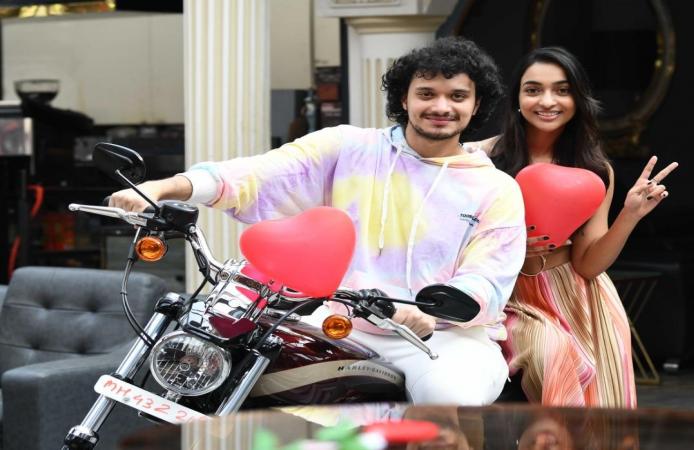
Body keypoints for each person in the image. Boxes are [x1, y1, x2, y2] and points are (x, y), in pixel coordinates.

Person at [109, 37, 526, 405]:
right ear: (404, 98)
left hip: (441, 337)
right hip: (337, 322)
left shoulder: (494, 188)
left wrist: (430, 313)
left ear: (476, 106)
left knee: (449, 400)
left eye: (457, 96)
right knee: (236, 365)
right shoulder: (349, 147)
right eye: (426, 93)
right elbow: (258, 174)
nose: (441, 107)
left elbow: (487, 277)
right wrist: (164, 188)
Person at [471, 47, 678, 408]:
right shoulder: (481, 159)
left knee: (602, 410)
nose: (547, 101)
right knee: (552, 357)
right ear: (517, 98)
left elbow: (588, 264)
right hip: (508, 296)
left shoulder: (594, 169)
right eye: (533, 90)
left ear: (578, 100)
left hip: (579, 297)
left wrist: (630, 215)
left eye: (562, 90)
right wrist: (510, 246)